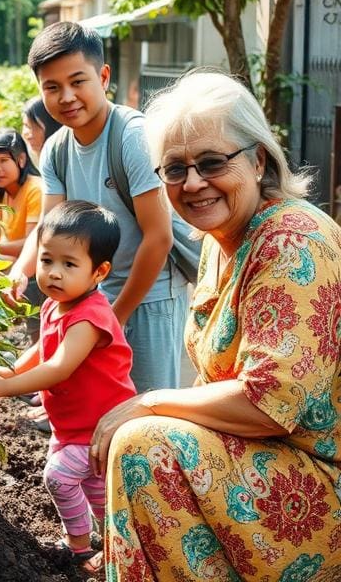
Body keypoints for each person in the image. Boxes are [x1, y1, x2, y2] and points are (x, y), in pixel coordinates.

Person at [89, 71, 341, 581]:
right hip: (262, 467)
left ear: (258, 160)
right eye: (175, 169)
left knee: (145, 443)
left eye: (211, 162)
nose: (194, 183)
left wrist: (148, 400)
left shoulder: (290, 242)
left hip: (320, 484)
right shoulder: (220, 240)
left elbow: (268, 404)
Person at [9, 22, 187, 392]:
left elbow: (159, 237)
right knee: (96, 411)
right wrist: (20, 271)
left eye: (78, 82)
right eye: (52, 88)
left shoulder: (131, 136)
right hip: (92, 298)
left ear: (103, 76)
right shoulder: (57, 148)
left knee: (147, 418)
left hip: (148, 296)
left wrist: (114, 316)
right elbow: (48, 226)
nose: (67, 97)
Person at [0, 201, 135, 574]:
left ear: (99, 271)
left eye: (69, 264)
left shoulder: (90, 317)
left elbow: (59, 367)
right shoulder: (54, 306)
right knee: (96, 490)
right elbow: (41, 351)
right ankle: (112, 545)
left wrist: (2, 388)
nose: (53, 274)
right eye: (46, 261)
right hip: (73, 425)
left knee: (58, 477)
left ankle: (78, 546)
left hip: (100, 426)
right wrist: (7, 371)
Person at [0, 129, 42, 259]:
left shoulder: (36, 190)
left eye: (3, 160)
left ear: (21, 159)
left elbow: (32, 246)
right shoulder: (3, 192)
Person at [21, 96, 62, 173]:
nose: (28, 134)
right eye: (26, 126)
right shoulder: (24, 155)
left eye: (36, 127)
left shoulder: (65, 160)